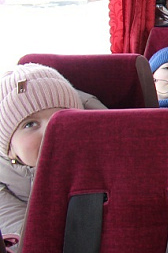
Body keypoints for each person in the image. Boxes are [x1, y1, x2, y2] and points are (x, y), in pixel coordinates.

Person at [0, 64, 105, 243]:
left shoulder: (108, 164)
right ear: (10, 149)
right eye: (30, 124)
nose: (51, 131)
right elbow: (33, 250)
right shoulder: (5, 191)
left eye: (63, 118)